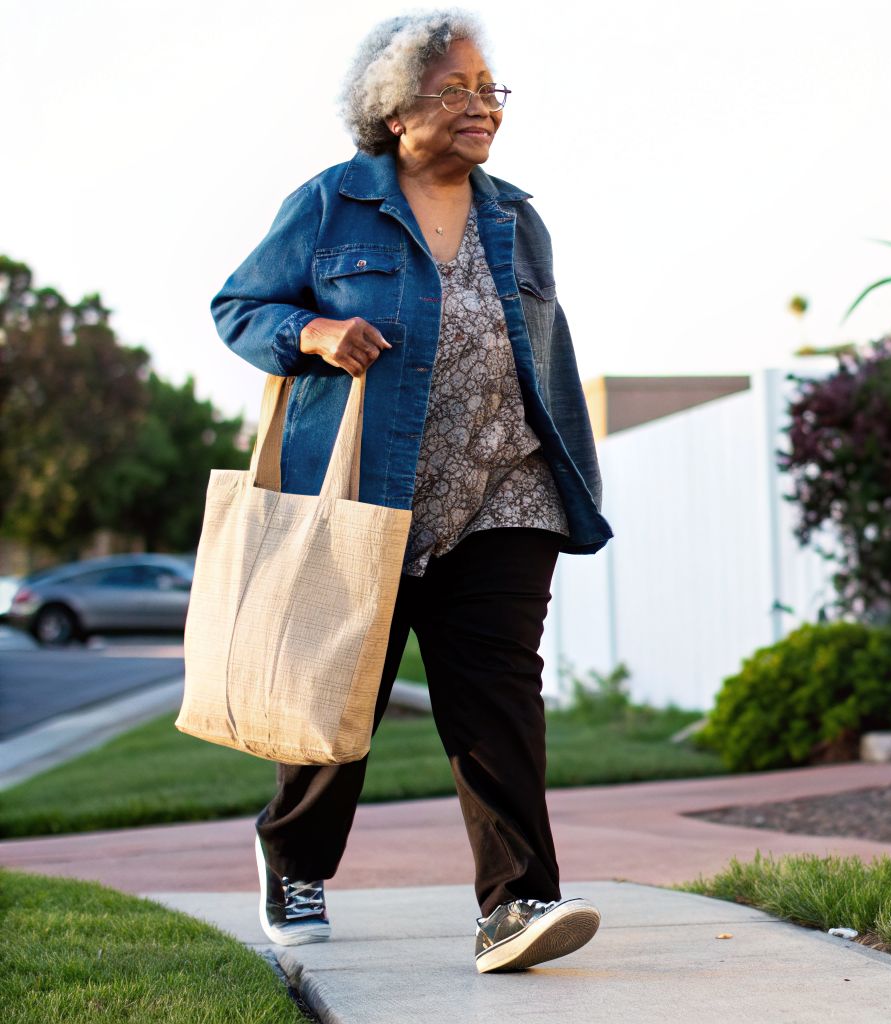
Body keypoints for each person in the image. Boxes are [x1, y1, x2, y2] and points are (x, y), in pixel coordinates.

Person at [210, 8, 613, 974]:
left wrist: (561, 470)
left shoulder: (517, 216)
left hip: (502, 489)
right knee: (340, 687)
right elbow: (239, 305)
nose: (482, 108)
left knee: (498, 696)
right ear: (395, 114)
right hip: (366, 497)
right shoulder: (330, 204)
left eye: (490, 90)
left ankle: (518, 905)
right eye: (456, 92)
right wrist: (312, 336)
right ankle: (293, 854)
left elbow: (539, 357)